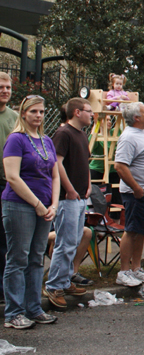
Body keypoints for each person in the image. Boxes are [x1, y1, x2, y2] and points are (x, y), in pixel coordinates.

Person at [2, 95, 60, 329]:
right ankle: (13, 312)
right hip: (20, 205)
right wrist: (37, 203)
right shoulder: (16, 139)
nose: (38, 115)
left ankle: (34, 307)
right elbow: (12, 176)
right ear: (23, 113)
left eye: (42, 112)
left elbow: (55, 175)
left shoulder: (47, 141)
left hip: (45, 207)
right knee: (18, 258)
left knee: (36, 258)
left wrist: (54, 204)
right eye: (33, 111)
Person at [43, 98, 94, 309]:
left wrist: (88, 184)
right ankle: (54, 285)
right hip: (68, 198)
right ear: (76, 112)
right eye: (88, 111)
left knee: (73, 241)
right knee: (65, 243)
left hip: (81, 197)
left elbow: (86, 163)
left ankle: (64, 281)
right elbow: (57, 162)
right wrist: (70, 188)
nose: (92, 115)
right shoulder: (63, 133)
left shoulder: (82, 134)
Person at [114, 103, 144, 288]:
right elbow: (120, 166)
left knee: (141, 231)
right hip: (137, 193)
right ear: (136, 118)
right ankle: (124, 271)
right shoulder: (128, 137)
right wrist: (136, 188)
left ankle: (136, 268)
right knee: (131, 230)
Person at [0, 72, 17, 304]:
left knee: (5, 241)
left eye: (8, 87)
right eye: (1, 86)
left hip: (7, 183)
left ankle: (4, 292)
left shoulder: (14, 117)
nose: (5, 90)